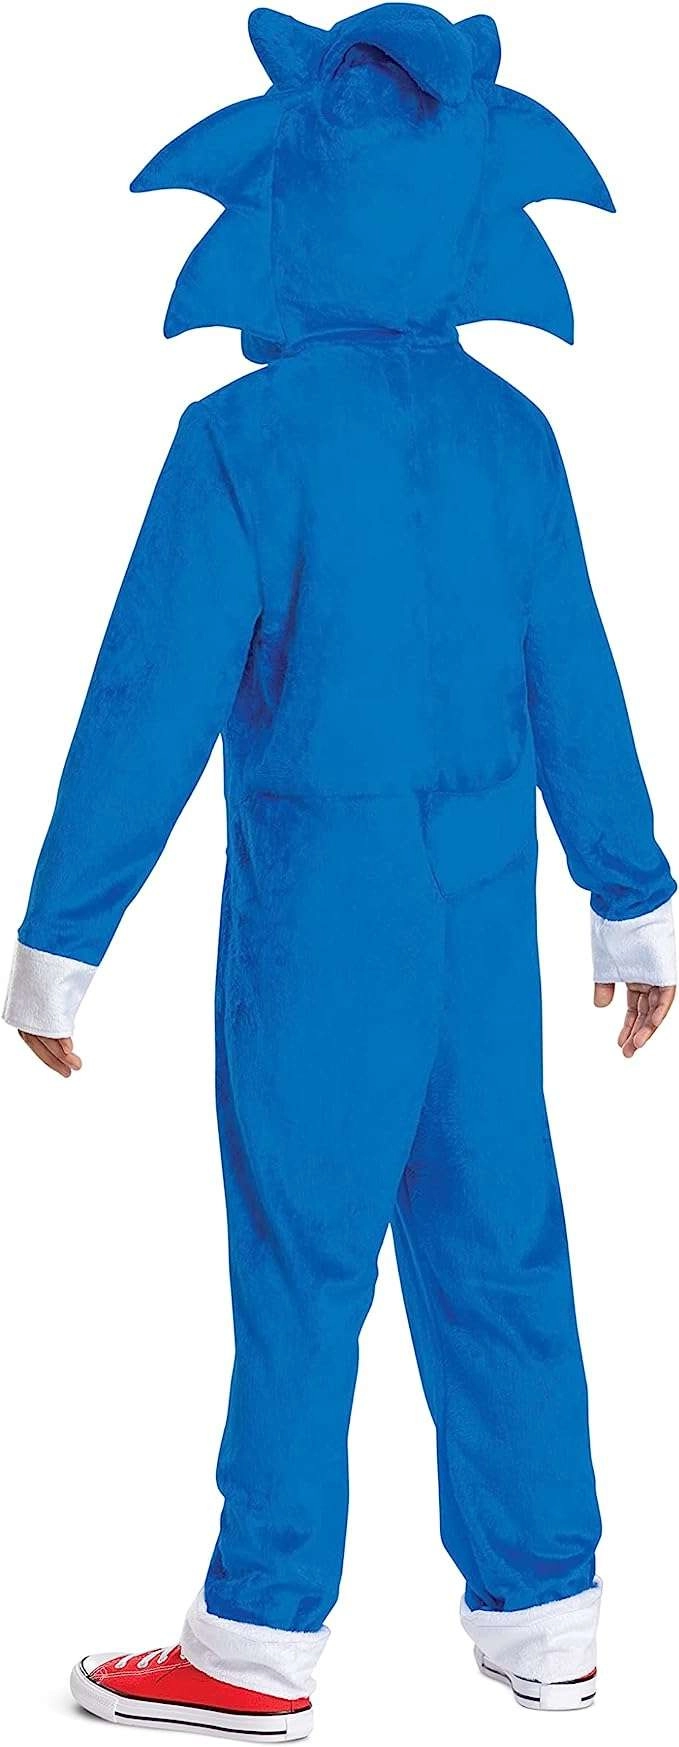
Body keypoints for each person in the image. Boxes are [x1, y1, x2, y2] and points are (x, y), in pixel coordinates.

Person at [3, 5, 675, 1732]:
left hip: (321, 916)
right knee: (498, 1240)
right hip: (481, 912)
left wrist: (63, 936)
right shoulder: (512, 434)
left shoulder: (246, 440)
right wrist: (631, 903)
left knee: (303, 1258)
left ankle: (253, 1639)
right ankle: (546, 1612)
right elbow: (577, 678)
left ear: (291, 196)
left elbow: (147, 704)